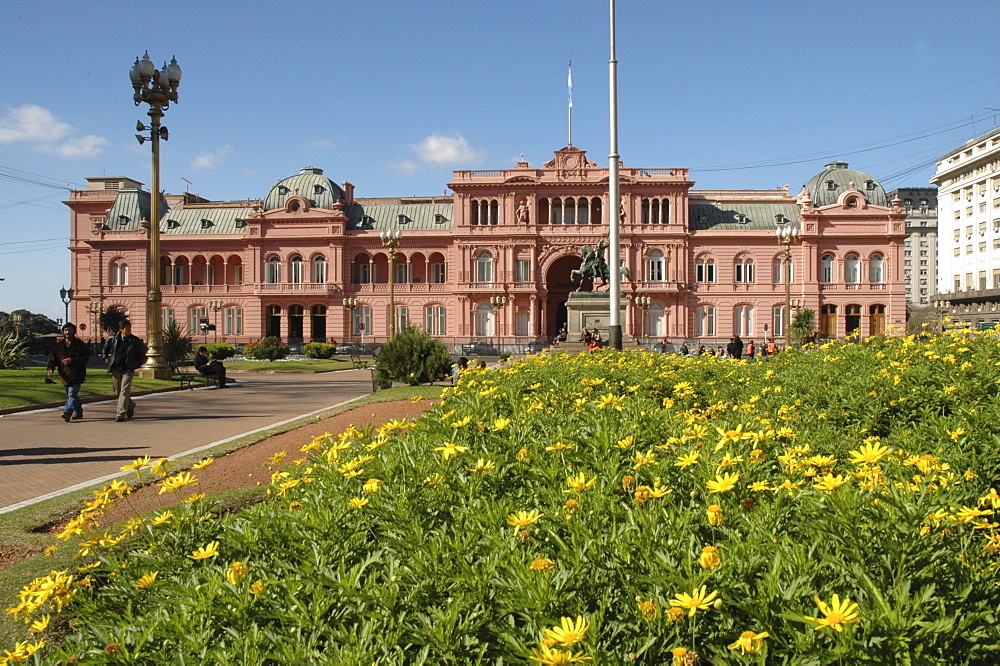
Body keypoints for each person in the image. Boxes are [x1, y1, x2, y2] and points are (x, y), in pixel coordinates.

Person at [103, 319, 147, 422]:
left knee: (124, 390)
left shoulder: (135, 341)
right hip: (116, 368)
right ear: (121, 329)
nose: (129, 330)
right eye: (127, 328)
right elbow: (105, 348)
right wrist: (105, 357)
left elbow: (142, 356)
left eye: (130, 328)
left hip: (128, 368)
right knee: (118, 392)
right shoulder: (113, 339)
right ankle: (130, 405)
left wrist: (135, 364)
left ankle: (120, 413)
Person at [47, 322, 90, 422]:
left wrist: (72, 360)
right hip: (64, 374)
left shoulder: (80, 345)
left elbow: (85, 358)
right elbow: (53, 359)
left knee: (72, 394)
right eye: (66, 330)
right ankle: (78, 411)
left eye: (70, 330)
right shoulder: (59, 346)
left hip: (77, 374)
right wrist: (50, 368)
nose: (67, 332)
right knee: (71, 395)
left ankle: (67, 412)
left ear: (74, 332)